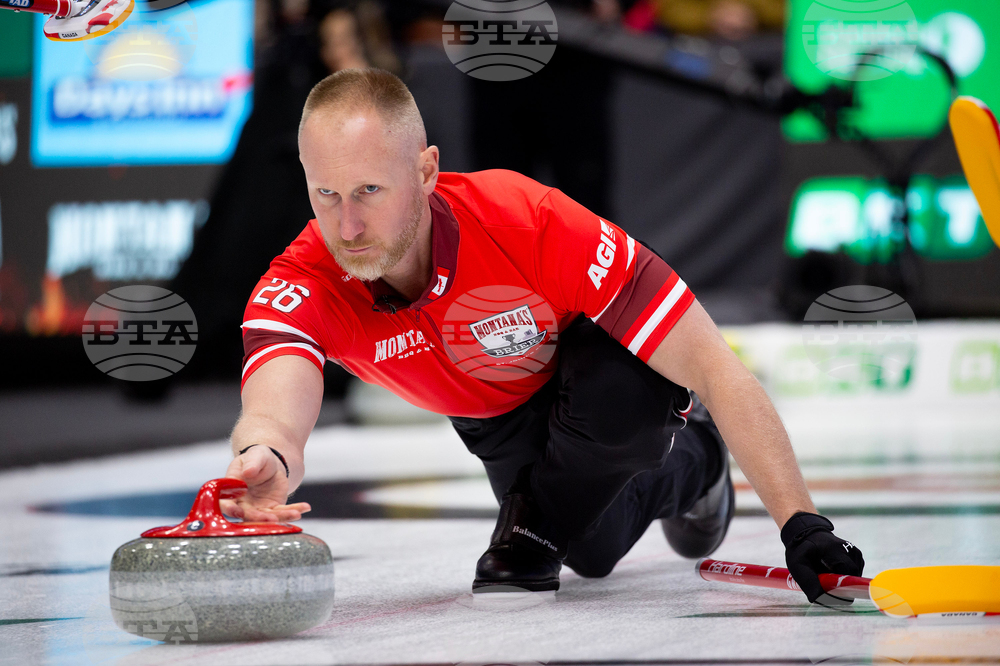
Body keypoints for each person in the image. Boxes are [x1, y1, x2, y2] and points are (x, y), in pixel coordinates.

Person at [222, 68, 864, 601]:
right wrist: (266, 459)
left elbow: (714, 366)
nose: (350, 225)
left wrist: (803, 526)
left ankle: (681, 449)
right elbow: (276, 410)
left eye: (369, 190)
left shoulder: (529, 223)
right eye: (326, 193)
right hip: (493, 417)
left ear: (425, 172)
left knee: (620, 399)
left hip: (584, 369)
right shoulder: (302, 281)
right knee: (589, 548)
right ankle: (696, 468)